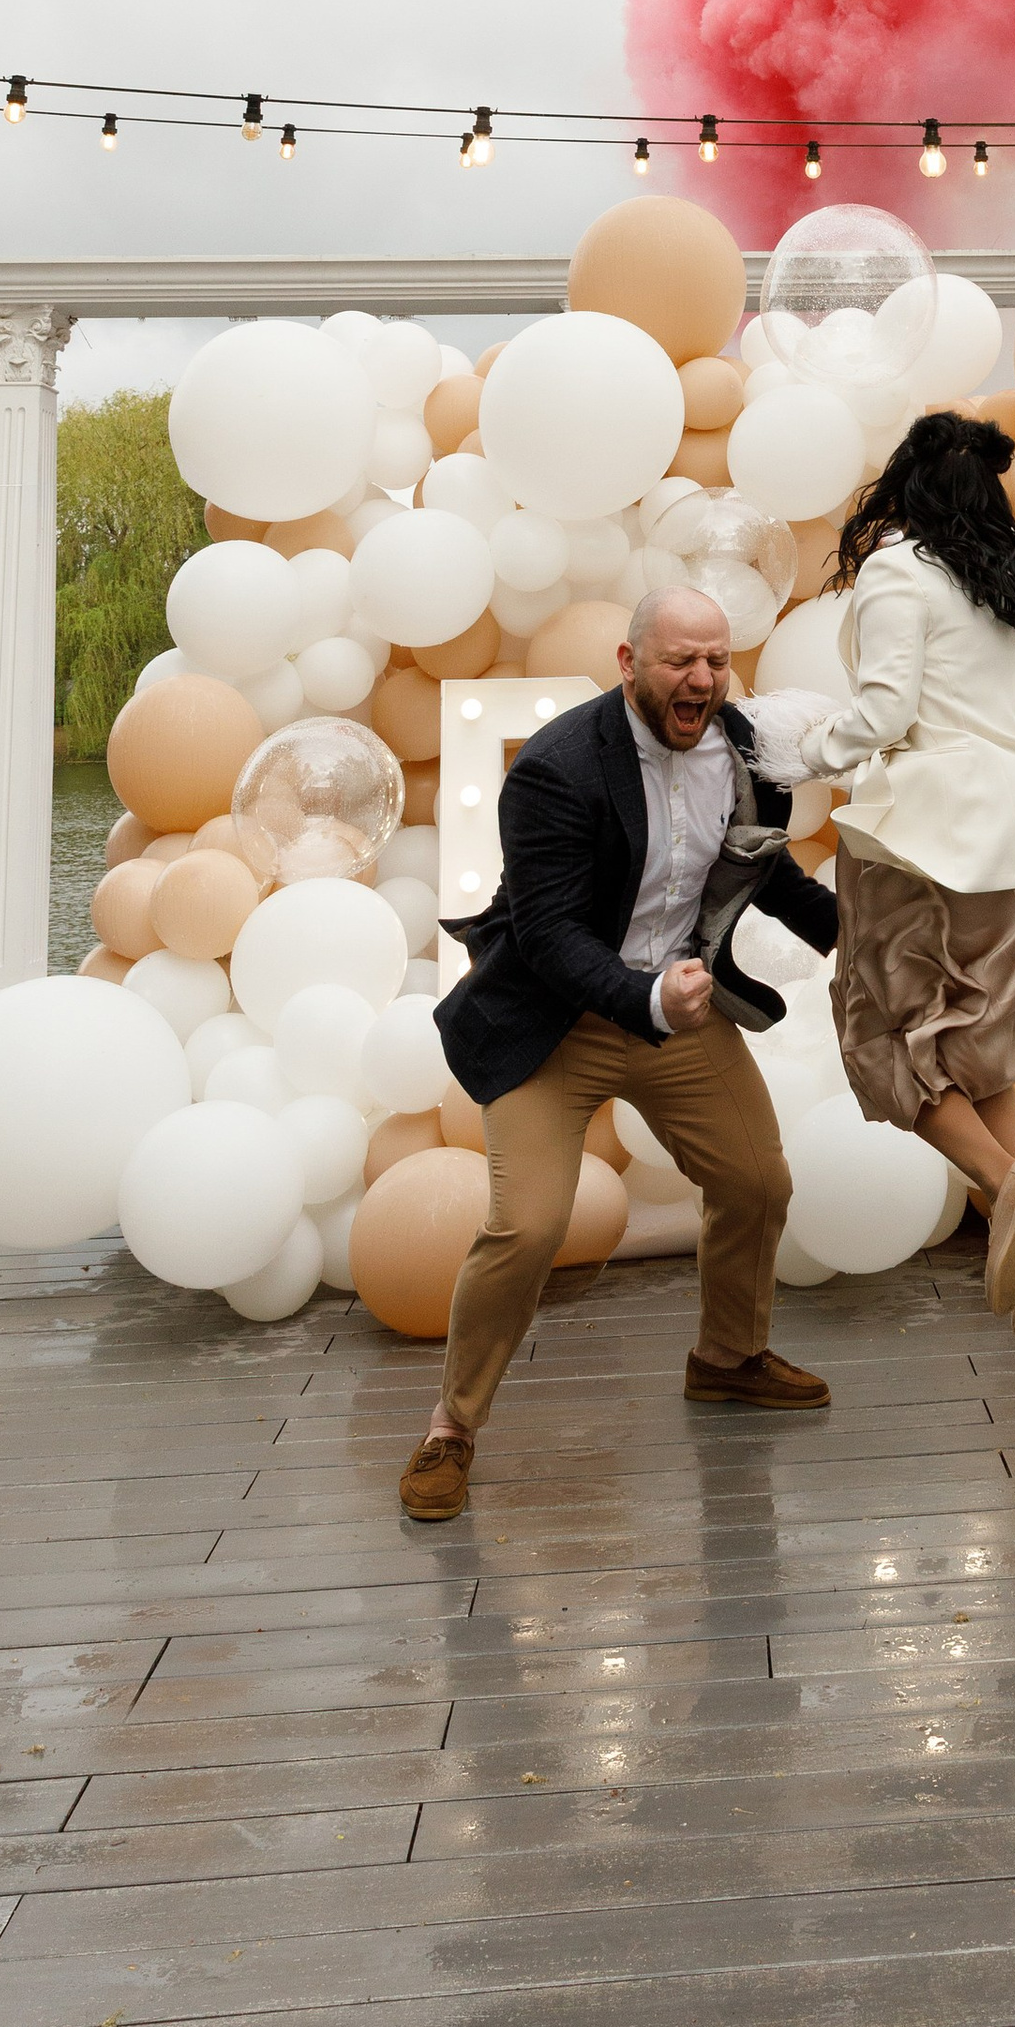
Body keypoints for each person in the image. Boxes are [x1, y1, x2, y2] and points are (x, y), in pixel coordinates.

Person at [397, 585, 840, 1523]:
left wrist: (867, 943)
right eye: (680, 661)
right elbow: (550, 935)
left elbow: (768, 874)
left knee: (758, 1182)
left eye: (716, 660)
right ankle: (451, 1428)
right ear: (630, 663)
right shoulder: (556, 767)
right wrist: (646, 998)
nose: (702, 679)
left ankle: (727, 1357)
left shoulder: (746, 753)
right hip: (556, 1021)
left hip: (678, 1014)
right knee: (527, 1228)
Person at [804, 412, 1015, 1341]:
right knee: (974, 1052)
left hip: (941, 850)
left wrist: (801, 751)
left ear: (903, 487)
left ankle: (1010, 1187)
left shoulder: (899, 570)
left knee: (884, 1040)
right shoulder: (1002, 578)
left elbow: (886, 711)